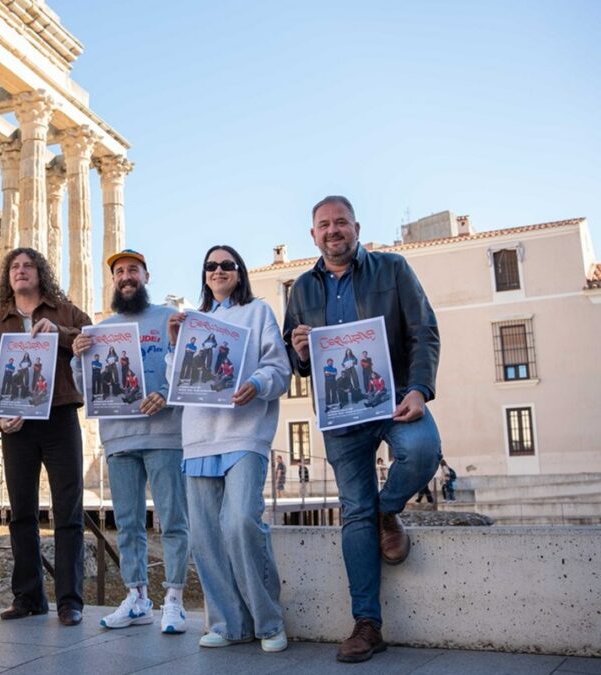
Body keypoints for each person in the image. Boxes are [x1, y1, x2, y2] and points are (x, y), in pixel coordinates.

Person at [284, 195, 441, 663]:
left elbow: (423, 331)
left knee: (423, 450)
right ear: (313, 235)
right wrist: (301, 352)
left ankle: (384, 512)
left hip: (393, 398)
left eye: (341, 223)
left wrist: (419, 389)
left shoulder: (393, 269)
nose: (333, 231)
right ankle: (367, 624)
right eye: (324, 225)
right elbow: (298, 361)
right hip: (341, 416)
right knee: (351, 512)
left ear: (356, 228)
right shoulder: (301, 290)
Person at [165, 244, 290, 653]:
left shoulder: (259, 313)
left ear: (239, 272)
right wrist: (173, 345)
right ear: (204, 275)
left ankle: (269, 622)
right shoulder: (194, 322)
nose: (218, 271)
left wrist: (257, 383)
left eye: (226, 265)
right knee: (205, 537)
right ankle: (227, 623)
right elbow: (176, 385)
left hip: (245, 435)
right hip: (198, 438)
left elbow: (279, 368)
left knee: (240, 522)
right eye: (211, 266)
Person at [72, 249, 190, 634]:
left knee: (172, 520)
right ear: (114, 280)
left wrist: (167, 394)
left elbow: (189, 370)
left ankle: (174, 599)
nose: (126, 276)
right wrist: (77, 359)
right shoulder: (101, 330)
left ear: (146, 276)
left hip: (165, 434)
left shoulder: (168, 318)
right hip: (119, 436)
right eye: (120, 271)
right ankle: (137, 597)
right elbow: (84, 388)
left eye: (133, 270)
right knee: (127, 523)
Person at [0, 247, 92, 626]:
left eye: (28, 266)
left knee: (68, 511)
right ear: (7, 277)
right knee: (21, 512)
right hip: (18, 426)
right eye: (14, 267)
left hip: (59, 417)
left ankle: (70, 600)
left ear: (40, 273)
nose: (21, 271)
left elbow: (93, 341)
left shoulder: (67, 312)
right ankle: (28, 596)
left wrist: (60, 333)